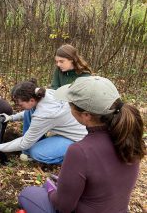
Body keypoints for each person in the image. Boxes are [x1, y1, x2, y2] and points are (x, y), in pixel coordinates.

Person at [18, 76, 146, 213]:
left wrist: (50, 189)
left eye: (70, 104)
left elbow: (64, 207)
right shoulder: (130, 137)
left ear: (86, 115)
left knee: (27, 194)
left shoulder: (79, 151)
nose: (68, 107)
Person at [0, 80, 87, 164]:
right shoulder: (42, 94)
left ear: (31, 100)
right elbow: (29, 111)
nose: (18, 107)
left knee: (36, 153)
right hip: (66, 129)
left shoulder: (44, 114)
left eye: (19, 104)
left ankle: (77, 158)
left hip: (76, 139)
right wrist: (11, 118)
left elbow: (24, 143)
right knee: (29, 112)